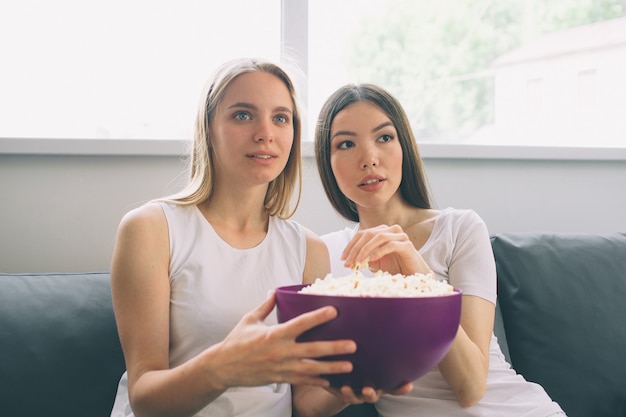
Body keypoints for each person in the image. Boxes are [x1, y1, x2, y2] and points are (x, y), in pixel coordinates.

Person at [292, 83, 566, 417]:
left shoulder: (459, 229)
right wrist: (360, 379)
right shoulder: (326, 255)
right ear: (327, 161)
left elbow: (470, 388)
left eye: (384, 138)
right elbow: (307, 405)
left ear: (404, 146)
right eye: (346, 144)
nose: (369, 159)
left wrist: (419, 279)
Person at [108, 58, 358, 417]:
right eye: (243, 115)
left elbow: (305, 401)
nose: (265, 133)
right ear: (208, 128)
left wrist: (355, 385)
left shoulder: (308, 251)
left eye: (281, 118)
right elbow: (145, 397)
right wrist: (226, 366)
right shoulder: (150, 229)